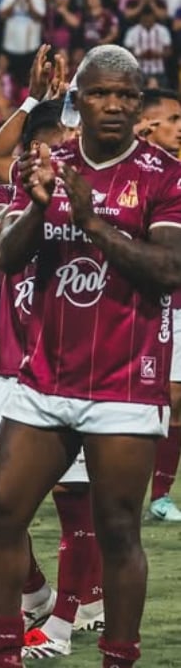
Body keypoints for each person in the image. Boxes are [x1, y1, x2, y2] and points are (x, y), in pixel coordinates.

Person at [0, 45, 181, 668]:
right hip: (45, 379)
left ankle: (118, 657)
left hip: (124, 383)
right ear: (80, 99)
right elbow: (9, 259)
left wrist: (93, 223)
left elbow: (169, 269)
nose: (114, 105)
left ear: (139, 102)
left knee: (118, 529)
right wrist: (40, 206)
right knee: (0, 512)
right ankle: (3, 654)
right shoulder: (46, 163)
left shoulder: (166, 176)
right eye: (100, 93)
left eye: (127, 95)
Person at [0, 100, 102, 660]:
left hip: (66, 373)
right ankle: (43, 594)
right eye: (39, 150)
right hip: (7, 372)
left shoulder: (93, 201)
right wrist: (26, 102)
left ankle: (64, 625)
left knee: (77, 503)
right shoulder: (4, 197)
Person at [138, 89, 181, 524]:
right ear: (147, 124)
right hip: (136, 302)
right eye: (172, 119)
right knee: (151, 397)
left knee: (176, 397)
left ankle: (160, 495)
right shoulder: (131, 173)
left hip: (177, 300)